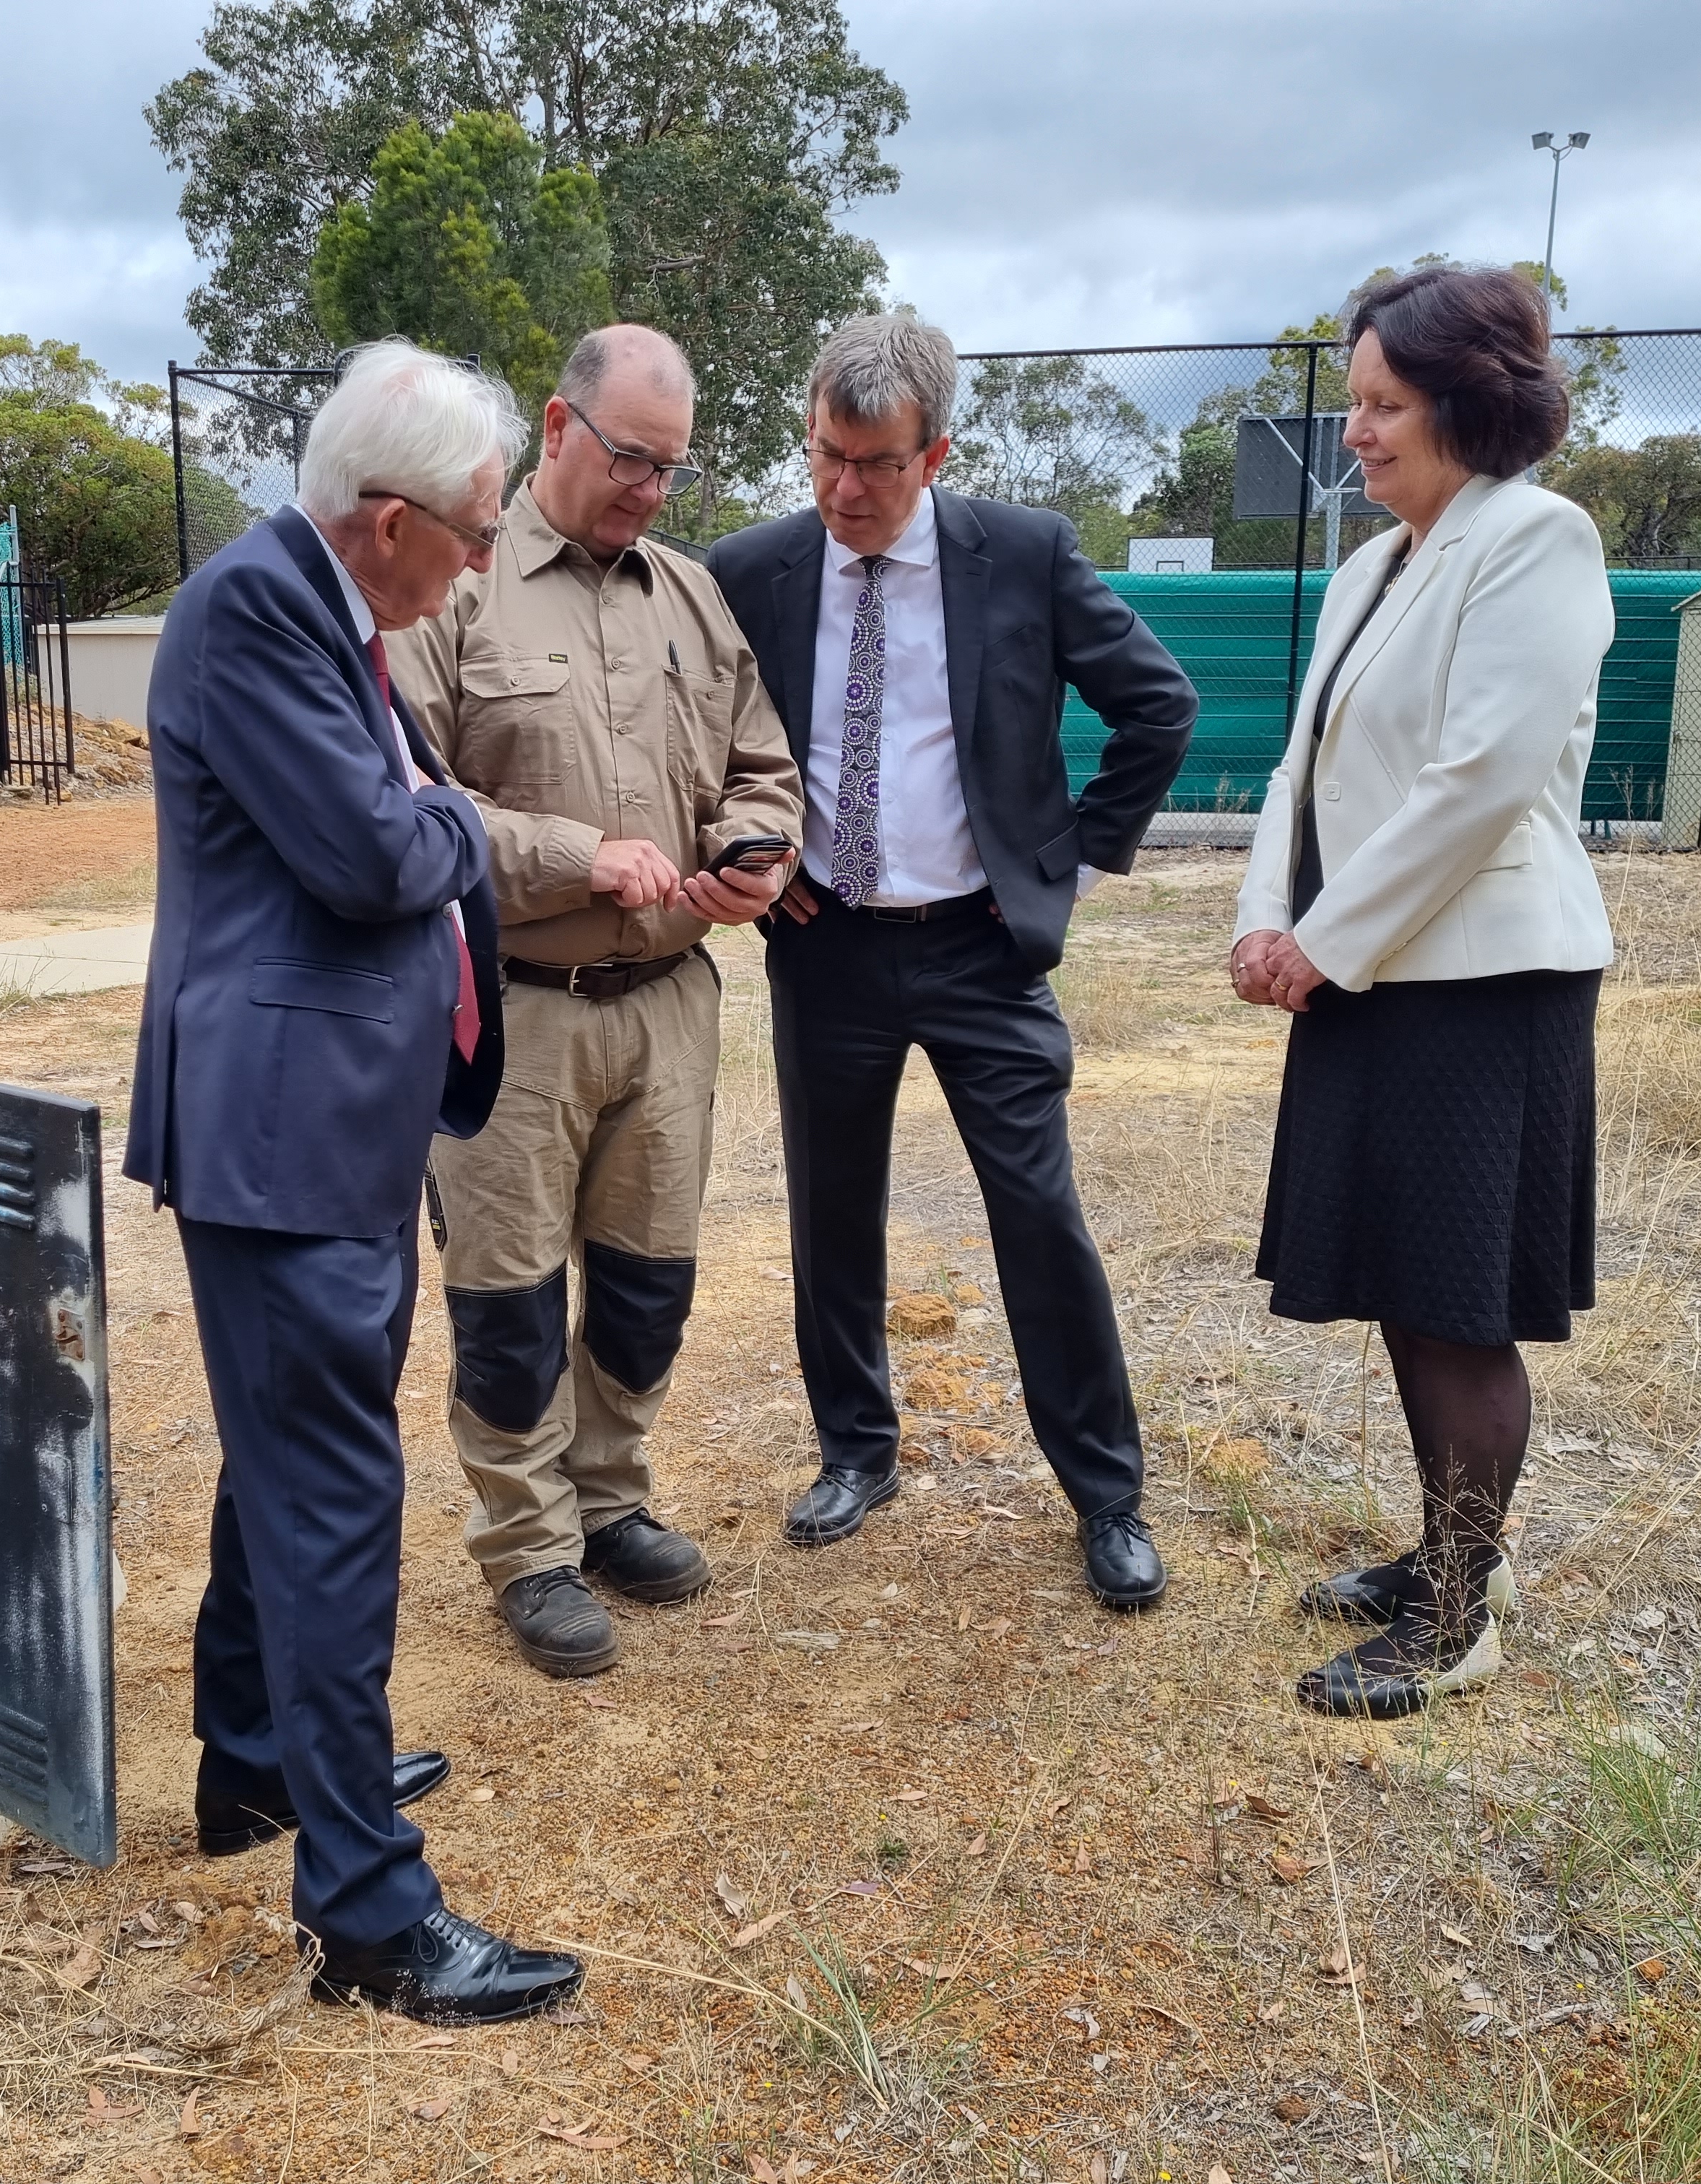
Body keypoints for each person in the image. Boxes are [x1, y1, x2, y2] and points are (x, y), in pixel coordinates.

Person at [124, 339, 579, 2023]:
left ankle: (258, 1768)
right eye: (469, 535)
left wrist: (428, 806)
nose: (477, 566)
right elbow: (379, 851)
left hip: (326, 1124)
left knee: (288, 1467)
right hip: (283, 1131)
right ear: (383, 521)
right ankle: (371, 1918)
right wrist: (458, 817)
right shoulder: (255, 612)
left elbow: (384, 828)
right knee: (330, 1501)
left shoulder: (328, 609)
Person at [708, 313, 1199, 1612]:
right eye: (825, 455)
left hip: (983, 946)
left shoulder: (1021, 557)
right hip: (825, 947)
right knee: (831, 1212)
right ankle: (855, 1452)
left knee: (1039, 1215)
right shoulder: (749, 570)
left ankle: (1106, 1493)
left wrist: (1072, 858)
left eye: (876, 464)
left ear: (937, 454)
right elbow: (692, 742)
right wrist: (756, 867)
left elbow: (1159, 704)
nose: (845, 490)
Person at [385, 325, 802, 1678]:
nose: (650, 491)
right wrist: (578, 855)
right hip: (512, 1007)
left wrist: (756, 847)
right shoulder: (453, 589)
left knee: (646, 1288)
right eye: (631, 458)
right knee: (507, 1303)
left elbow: (761, 764)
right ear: (558, 431)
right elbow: (411, 801)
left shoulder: (691, 597)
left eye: (672, 470)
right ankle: (529, 1548)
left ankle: (613, 1501)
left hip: (671, 996)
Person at [1229, 265, 1615, 1720]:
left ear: (1465, 402)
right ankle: (1458, 1550)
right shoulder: (1372, 566)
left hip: (1484, 983)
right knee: (1405, 1277)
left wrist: (1326, 941)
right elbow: (1299, 766)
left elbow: (1483, 781)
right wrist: (1273, 916)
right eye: (1357, 404)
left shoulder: (1539, 541)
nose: (1357, 433)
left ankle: (1459, 1616)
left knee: (1457, 1301)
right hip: (1378, 973)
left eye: (1383, 405)